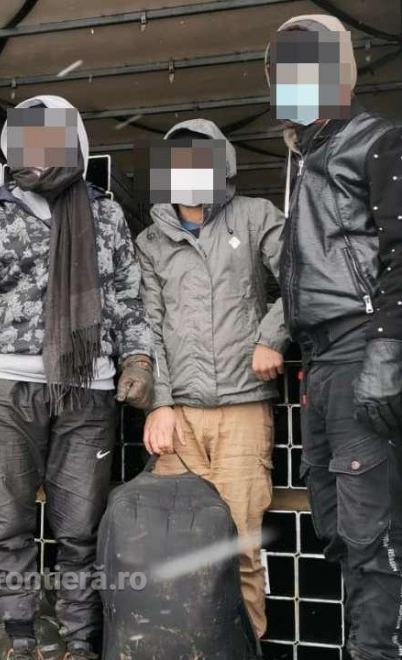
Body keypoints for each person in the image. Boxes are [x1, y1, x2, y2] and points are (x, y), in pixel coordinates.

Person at [0, 95, 155, 660]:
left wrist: (138, 359)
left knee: (80, 528)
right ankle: (19, 636)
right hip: (5, 388)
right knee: (4, 523)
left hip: (89, 388)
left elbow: (127, 298)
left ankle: (77, 642)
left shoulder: (106, 216)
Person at [267, 14, 402, 659]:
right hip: (320, 360)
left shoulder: (379, 140)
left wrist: (388, 346)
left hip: (359, 346)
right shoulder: (308, 157)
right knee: (338, 527)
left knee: (373, 531)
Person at [137, 119, 288, 638]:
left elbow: (302, 274)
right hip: (178, 416)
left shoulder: (255, 216)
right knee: (176, 547)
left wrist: (273, 336)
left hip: (243, 411)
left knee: (239, 549)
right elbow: (147, 325)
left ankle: (243, 647)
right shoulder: (151, 241)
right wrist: (158, 403)